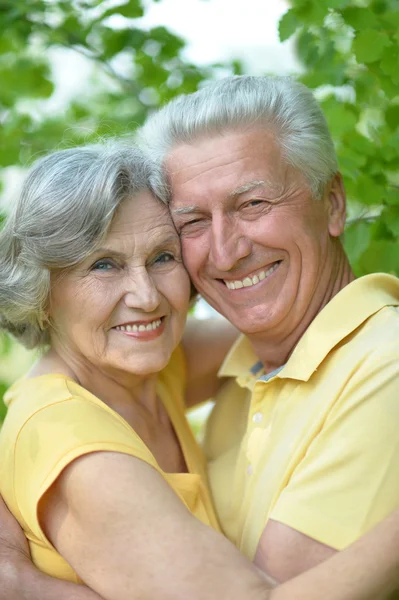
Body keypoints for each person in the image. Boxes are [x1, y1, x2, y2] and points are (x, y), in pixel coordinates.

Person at [1, 140, 399, 600]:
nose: (146, 297)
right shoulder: (78, 450)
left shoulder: (148, 371)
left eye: (162, 257)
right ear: (42, 289)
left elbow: (300, 322)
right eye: (103, 265)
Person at [137, 74, 399, 582]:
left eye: (253, 205)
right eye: (192, 222)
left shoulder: (386, 366)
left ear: (334, 205)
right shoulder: (249, 364)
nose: (226, 252)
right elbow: (71, 382)